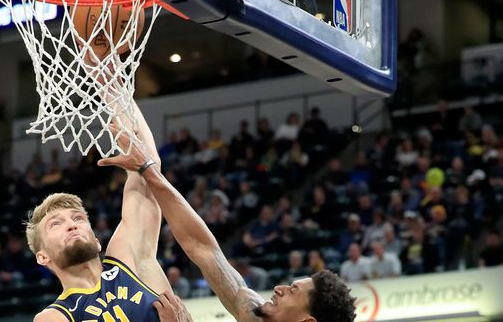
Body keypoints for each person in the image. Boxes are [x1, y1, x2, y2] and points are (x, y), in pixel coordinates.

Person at [99, 119, 357, 322]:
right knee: (143, 252)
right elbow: (203, 249)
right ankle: (113, 86)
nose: (279, 288)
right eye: (290, 285)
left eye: (292, 291)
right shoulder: (253, 312)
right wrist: (148, 169)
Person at [27, 101, 191, 322]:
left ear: (96, 241)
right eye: (55, 224)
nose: (72, 224)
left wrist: (114, 89)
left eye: (78, 218)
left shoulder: (127, 262)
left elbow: (147, 168)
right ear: (42, 256)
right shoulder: (54, 316)